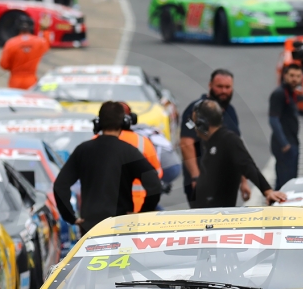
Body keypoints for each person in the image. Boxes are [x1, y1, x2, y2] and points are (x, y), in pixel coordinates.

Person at [53, 102, 161, 234]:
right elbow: (155, 185)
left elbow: (60, 185)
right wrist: (142, 214)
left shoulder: (83, 150)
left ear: (98, 123)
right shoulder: (130, 152)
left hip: (91, 228)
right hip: (122, 226)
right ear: (124, 123)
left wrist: (70, 217)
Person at [193, 100, 285, 208]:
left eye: (196, 124)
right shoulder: (209, 141)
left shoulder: (229, 140)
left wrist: (267, 191)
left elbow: (247, 165)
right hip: (203, 211)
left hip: (216, 214)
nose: (195, 129)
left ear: (203, 124)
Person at [180, 69, 241, 208]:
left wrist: (243, 182)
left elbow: (237, 149)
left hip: (226, 184)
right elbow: (186, 143)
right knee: (205, 226)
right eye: (219, 87)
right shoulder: (196, 109)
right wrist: (196, 177)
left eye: (227, 87)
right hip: (203, 182)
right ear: (210, 85)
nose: (223, 91)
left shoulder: (230, 111)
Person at [94, 102, 163, 213]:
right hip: (138, 207)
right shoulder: (142, 141)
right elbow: (157, 175)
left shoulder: (94, 142)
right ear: (128, 120)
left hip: (101, 211)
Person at [269, 64, 303, 189]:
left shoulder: (291, 93)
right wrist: (284, 143)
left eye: (298, 76)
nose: (295, 79)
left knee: (284, 183)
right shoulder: (279, 94)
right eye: (292, 76)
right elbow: (273, 120)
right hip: (285, 146)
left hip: (291, 142)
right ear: (285, 76)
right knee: (287, 186)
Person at [0, 22, 49, 89]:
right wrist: (45, 29)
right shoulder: (39, 42)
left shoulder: (11, 42)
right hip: (31, 81)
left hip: (15, 81)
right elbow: (47, 44)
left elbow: (4, 65)